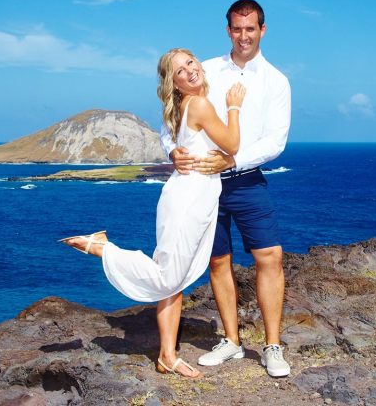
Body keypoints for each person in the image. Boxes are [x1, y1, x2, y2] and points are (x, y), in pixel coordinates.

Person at [59, 48, 246, 379]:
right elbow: (231, 144)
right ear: (173, 83)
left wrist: (174, 150)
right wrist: (234, 106)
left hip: (192, 197)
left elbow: (172, 138)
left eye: (190, 63)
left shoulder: (183, 106)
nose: (189, 71)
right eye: (179, 71)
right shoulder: (200, 104)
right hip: (187, 202)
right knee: (167, 278)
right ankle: (102, 247)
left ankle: (167, 356)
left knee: (174, 282)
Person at [160, 0, 292, 377]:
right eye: (237, 28)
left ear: (262, 30)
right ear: (228, 29)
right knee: (218, 261)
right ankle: (232, 342)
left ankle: (272, 346)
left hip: (246, 181)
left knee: (270, 257)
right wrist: (173, 151)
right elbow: (171, 116)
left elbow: (276, 140)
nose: (244, 35)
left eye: (251, 28)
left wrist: (234, 160)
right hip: (201, 183)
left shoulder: (277, 81)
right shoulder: (208, 70)